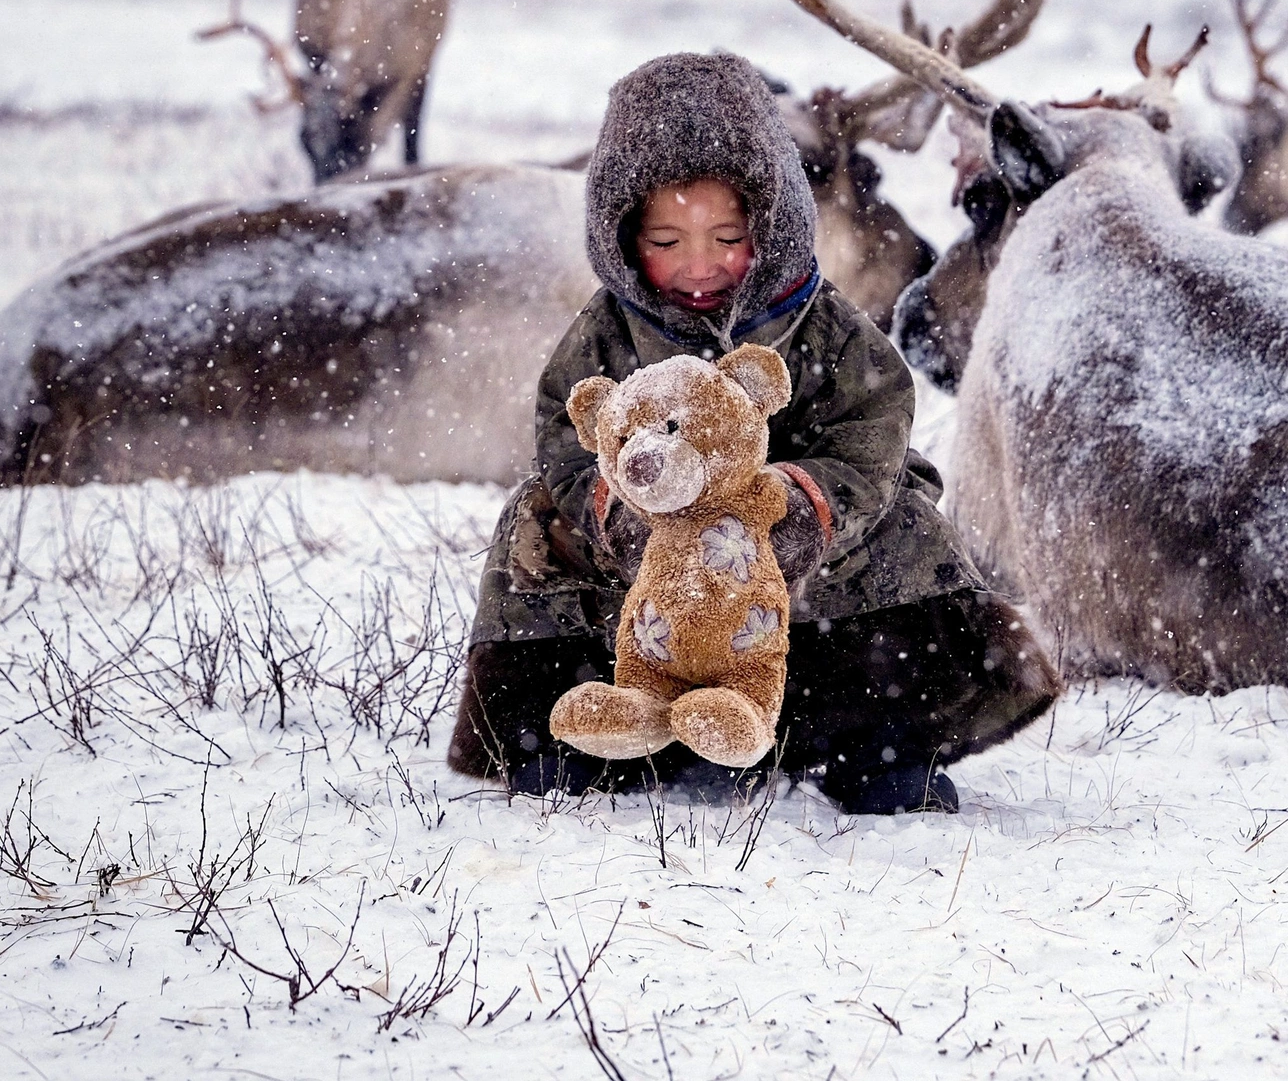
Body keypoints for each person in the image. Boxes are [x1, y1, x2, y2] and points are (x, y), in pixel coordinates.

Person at [445, 51, 1059, 812]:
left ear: (770, 224)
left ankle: (875, 741)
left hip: (797, 556)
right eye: (666, 242)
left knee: (906, 525)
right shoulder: (608, 332)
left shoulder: (822, 322)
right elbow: (566, 435)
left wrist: (805, 508)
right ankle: (565, 733)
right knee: (533, 527)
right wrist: (618, 516)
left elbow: (875, 429)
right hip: (651, 580)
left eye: (725, 237)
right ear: (622, 237)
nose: (698, 264)